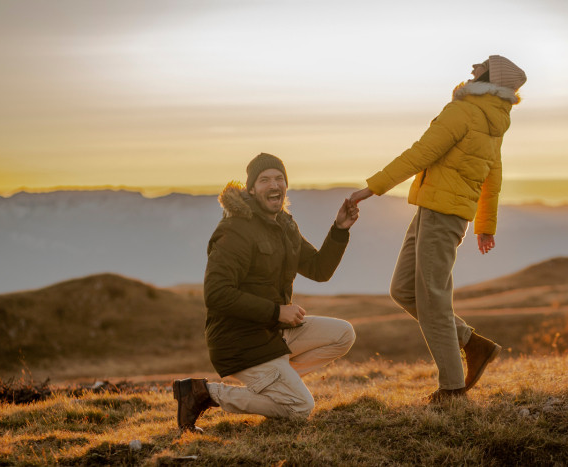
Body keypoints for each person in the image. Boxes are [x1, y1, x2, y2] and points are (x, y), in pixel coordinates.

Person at [350, 55, 527, 403]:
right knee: (403, 290)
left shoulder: (465, 111)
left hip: (441, 214)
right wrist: (484, 225)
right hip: (436, 212)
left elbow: (421, 153)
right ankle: (472, 344)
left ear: (490, 76)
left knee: (432, 299)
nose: (473, 68)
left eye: (481, 66)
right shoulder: (494, 118)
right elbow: (494, 175)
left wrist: (371, 188)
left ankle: (452, 389)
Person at [174, 153, 359, 432]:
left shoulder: (284, 224)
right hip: (240, 341)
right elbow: (216, 293)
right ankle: (204, 393)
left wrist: (339, 230)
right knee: (299, 408)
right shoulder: (235, 229)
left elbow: (319, 270)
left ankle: (278, 383)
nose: (274, 184)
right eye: (264, 180)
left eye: (279, 178)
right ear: (251, 189)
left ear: (286, 185)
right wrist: (277, 311)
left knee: (343, 333)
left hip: (273, 332)